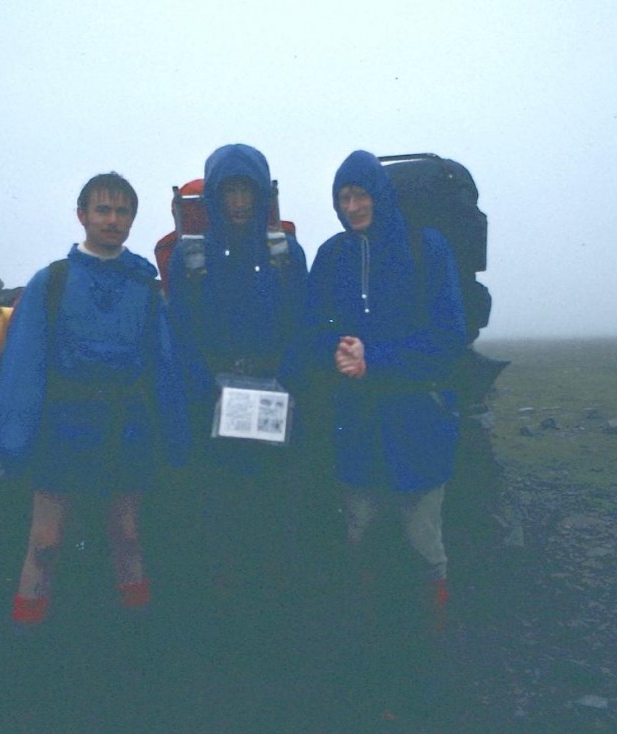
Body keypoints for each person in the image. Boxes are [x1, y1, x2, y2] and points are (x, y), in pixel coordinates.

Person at [299, 150, 467, 723]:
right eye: (343, 198)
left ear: (382, 194)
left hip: (415, 420)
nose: (352, 207)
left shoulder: (427, 248)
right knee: (361, 536)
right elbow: (309, 331)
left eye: (361, 194)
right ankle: (371, 659)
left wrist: (380, 359)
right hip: (357, 426)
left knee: (424, 545)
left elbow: (449, 335)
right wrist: (335, 352)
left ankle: (429, 658)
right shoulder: (331, 256)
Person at [0, 172, 189, 628]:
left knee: (126, 536)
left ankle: (136, 641)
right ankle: (25, 640)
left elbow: (163, 365)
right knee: (45, 542)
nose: (113, 219)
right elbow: (26, 363)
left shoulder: (144, 285)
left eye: (122, 211)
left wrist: (176, 441)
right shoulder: (53, 281)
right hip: (63, 424)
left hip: (127, 425)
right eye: (103, 209)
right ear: (82, 215)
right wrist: (14, 444)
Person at [165, 144, 308, 607]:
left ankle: (273, 625)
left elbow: (304, 324)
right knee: (219, 523)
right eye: (229, 192)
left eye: (248, 191)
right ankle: (226, 631)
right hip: (213, 409)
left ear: (263, 193)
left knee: (277, 519)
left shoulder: (285, 254)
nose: (240, 202)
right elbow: (180, 333)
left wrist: (286, 381)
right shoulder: (189, 258)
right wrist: (205, 390)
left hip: (276, 404)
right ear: (214, 198)